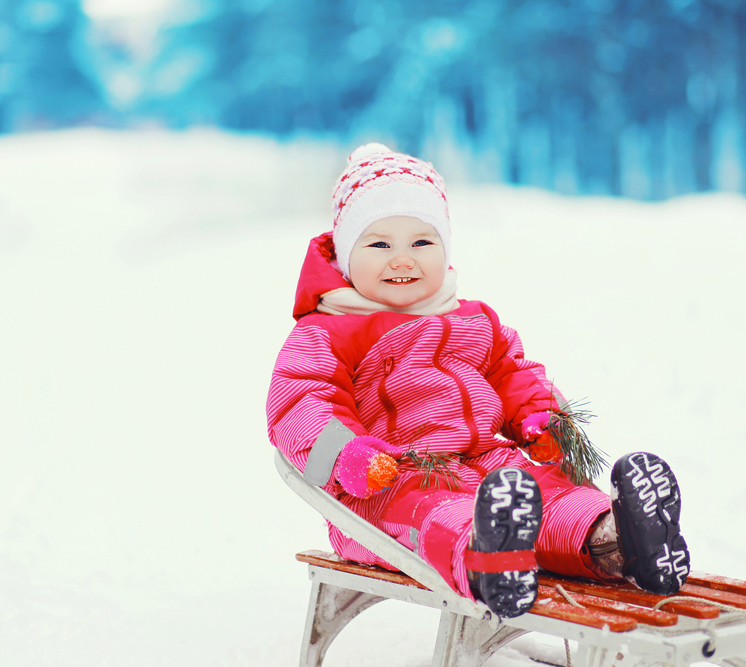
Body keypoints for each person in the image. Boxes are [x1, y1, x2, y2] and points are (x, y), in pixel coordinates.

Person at [266, 143, 690, 618]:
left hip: (485, 464)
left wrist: (542, 417)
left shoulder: (472, 319)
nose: (403, 259)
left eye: (422, 242)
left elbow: (512, 372)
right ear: (345, 256)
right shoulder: (327, 331)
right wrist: (350, 456)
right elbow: (301, 404)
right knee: (434, 513)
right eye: (380, 244)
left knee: (546, 490)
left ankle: (617, 539)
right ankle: (486, 556)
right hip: (392, 481)